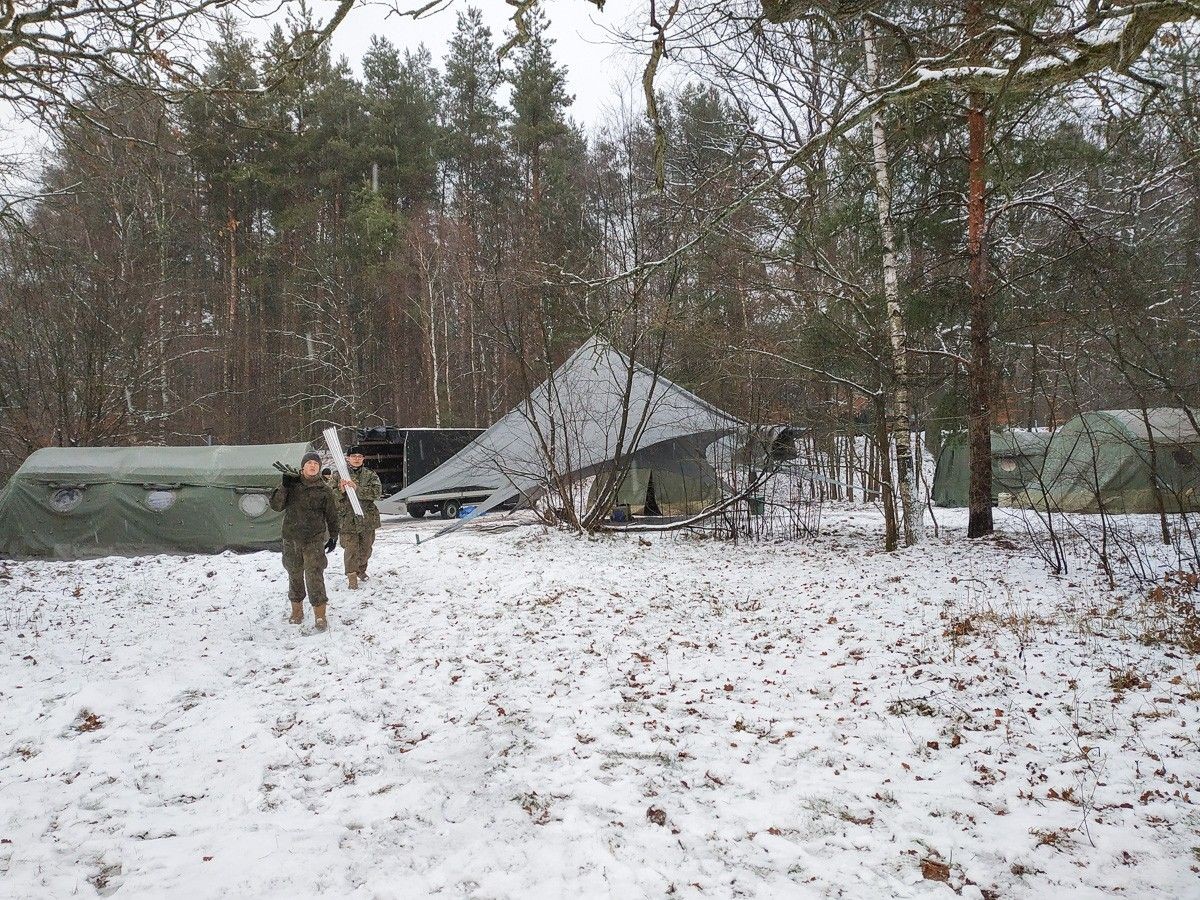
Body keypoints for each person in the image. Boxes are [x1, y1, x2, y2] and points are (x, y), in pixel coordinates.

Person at [270, 450, 339, 631]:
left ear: (319, 467)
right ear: (303, 467)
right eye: (309, 463)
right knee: (294, 573)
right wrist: (284, 486)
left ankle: (320, 616)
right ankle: (297, 611)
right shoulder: (292, 485)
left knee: (315, 575)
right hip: (291, 538)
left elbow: (332, 515)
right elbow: (276, 506)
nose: (312, 465)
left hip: (314, 540)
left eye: (315, 463)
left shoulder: (325, 489)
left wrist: (333, 535)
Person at [335, 445, 383, 589]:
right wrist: (341, 490)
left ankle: (361, 570)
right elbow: (330, 496)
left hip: (367, 518)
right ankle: (351, 576)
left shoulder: (370, 474)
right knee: (351, 549)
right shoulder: (339, 475)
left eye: (359, 456)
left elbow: (377, 493)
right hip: (347, 519)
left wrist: (358, 489)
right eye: (353, 456)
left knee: (366, 548)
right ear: (348, 458)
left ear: (363, 459)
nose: (356, 459)